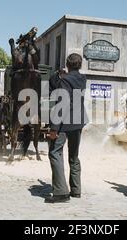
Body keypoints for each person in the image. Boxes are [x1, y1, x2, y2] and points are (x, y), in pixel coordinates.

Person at [46, 53, 87, 204]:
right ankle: (76, 190)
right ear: (80, 65)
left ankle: (61, 192)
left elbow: (62, 104)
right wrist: (65, 76)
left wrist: (54, 128)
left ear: (67, 65)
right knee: (74, 156)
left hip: (64, 123)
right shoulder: (83, 79)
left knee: (54, 153)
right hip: (78, 122)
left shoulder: (64, 80)